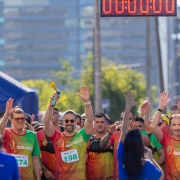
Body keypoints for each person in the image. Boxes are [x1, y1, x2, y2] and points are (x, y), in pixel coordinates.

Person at [44, 85, 94, 180]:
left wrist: (87, 103)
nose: (69, 123)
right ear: (63, 122)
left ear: (76, 122)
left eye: (72, 121)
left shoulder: (82, 136)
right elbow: (46, 123)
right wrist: (51, 105)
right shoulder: (57, 137)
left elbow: (90, 120)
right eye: (67, 121)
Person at [117, 91, 164, 180]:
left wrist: (127, 107)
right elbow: (161, 176)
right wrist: (150, 158)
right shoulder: (146, 164)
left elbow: (124, 130)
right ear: (140, 146)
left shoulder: (121, 157)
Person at [0, 98, 41, 180]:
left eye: (22, 118)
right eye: (17, 119)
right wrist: (6, 115)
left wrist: (38, 178)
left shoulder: (33, 136)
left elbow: (35, 159)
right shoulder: (7, 133)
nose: (20, 121)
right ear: (11, 120)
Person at [100, 112, 150, 180]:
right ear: (120, 120)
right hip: (118, 176)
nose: (125, 121)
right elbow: (103, 145)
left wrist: (133, 131)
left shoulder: (137, 134)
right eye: (123, 118)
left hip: (135, 176)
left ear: (133, 120)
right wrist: (109, 133)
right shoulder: (115, 134)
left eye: (128, 118)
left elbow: (147, 142)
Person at [151, 92, 180, 179]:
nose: (177, 127)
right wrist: (161, 107)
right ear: (170, 126)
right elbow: (153, 126)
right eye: (174, 125)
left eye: (179, 124)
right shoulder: (166, 138)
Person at [36, 107, 63, 180]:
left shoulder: (65, 132)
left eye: (53, 114)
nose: (50, 116)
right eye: (48, 114)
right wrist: (45, 171)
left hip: (63, 174)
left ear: (59, 116)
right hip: (47, 176)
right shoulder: (40, 134)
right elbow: (35, 156)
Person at [86, 113, 113, 180]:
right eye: (97, 122)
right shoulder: (88, 141)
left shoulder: (113, 139)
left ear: (106, 123)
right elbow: (84, 162)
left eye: (102, 122)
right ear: (94, 124)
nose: (99, 124)